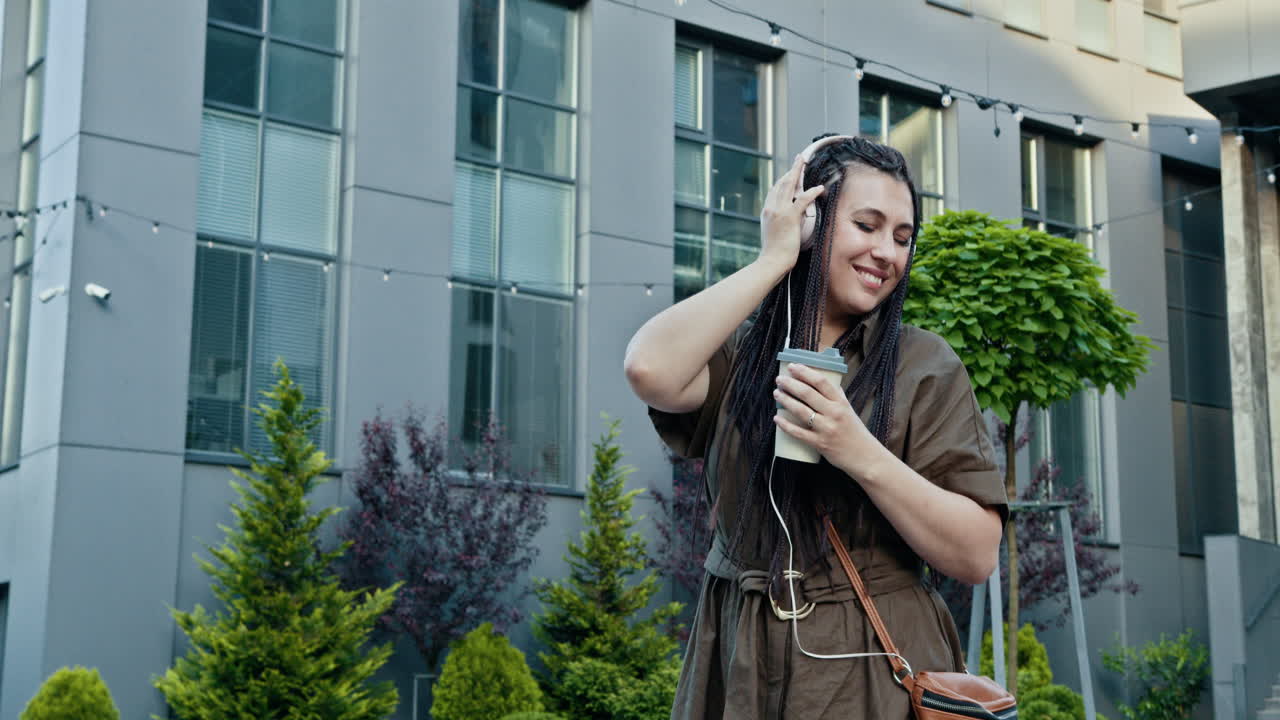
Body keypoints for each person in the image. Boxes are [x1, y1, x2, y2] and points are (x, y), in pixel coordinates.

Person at [623, 134, 1009, 719]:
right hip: (741, 659)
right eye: (867, 225)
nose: (887, 252)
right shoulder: (744, 352)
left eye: (903, 238)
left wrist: (857, 450)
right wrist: (773, 259)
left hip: (871, 668)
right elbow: (649, 368)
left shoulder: (922, 365)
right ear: (809, 219)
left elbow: (977, 554)